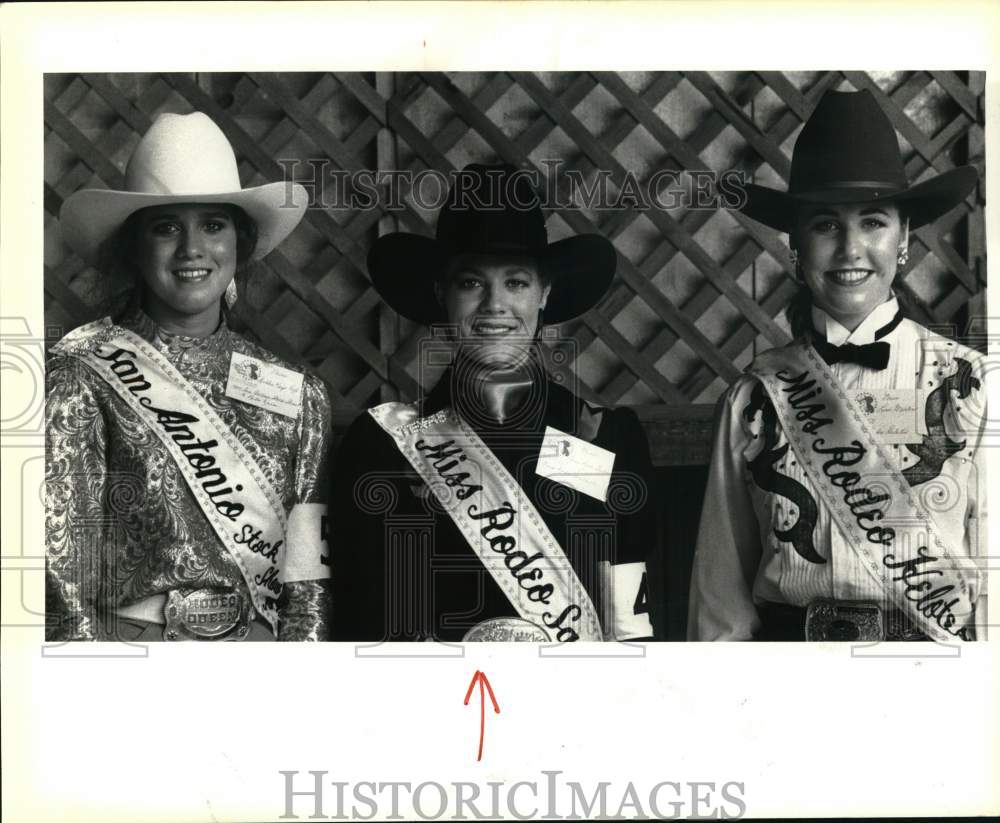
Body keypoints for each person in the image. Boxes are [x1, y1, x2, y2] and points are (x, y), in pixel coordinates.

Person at [688, 89, 986, 642]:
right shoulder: (756, 396)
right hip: (788, 679)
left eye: (873, 222)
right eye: (826, 225)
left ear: (903, 241)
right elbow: (720, 592)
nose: (851, 249)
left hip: (929, 676)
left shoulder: (973, 387)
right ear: (795, 244)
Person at [331, 164, 660, 642]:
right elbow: (370, 620)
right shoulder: (386, 445)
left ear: (545, 293)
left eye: (517, 282)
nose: (494, 305)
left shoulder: (606, 438)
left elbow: (631, 626)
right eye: (471, 283)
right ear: (442, 294)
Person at [46, 112, 332, 641]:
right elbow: (60, 568)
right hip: (134, 666)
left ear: (240, 244)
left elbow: (307, 578)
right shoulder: (82, 371)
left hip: (258, 672)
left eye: (213, 225)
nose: (192, 249)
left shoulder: (298, 393)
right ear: (135, 247)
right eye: (167, 227)